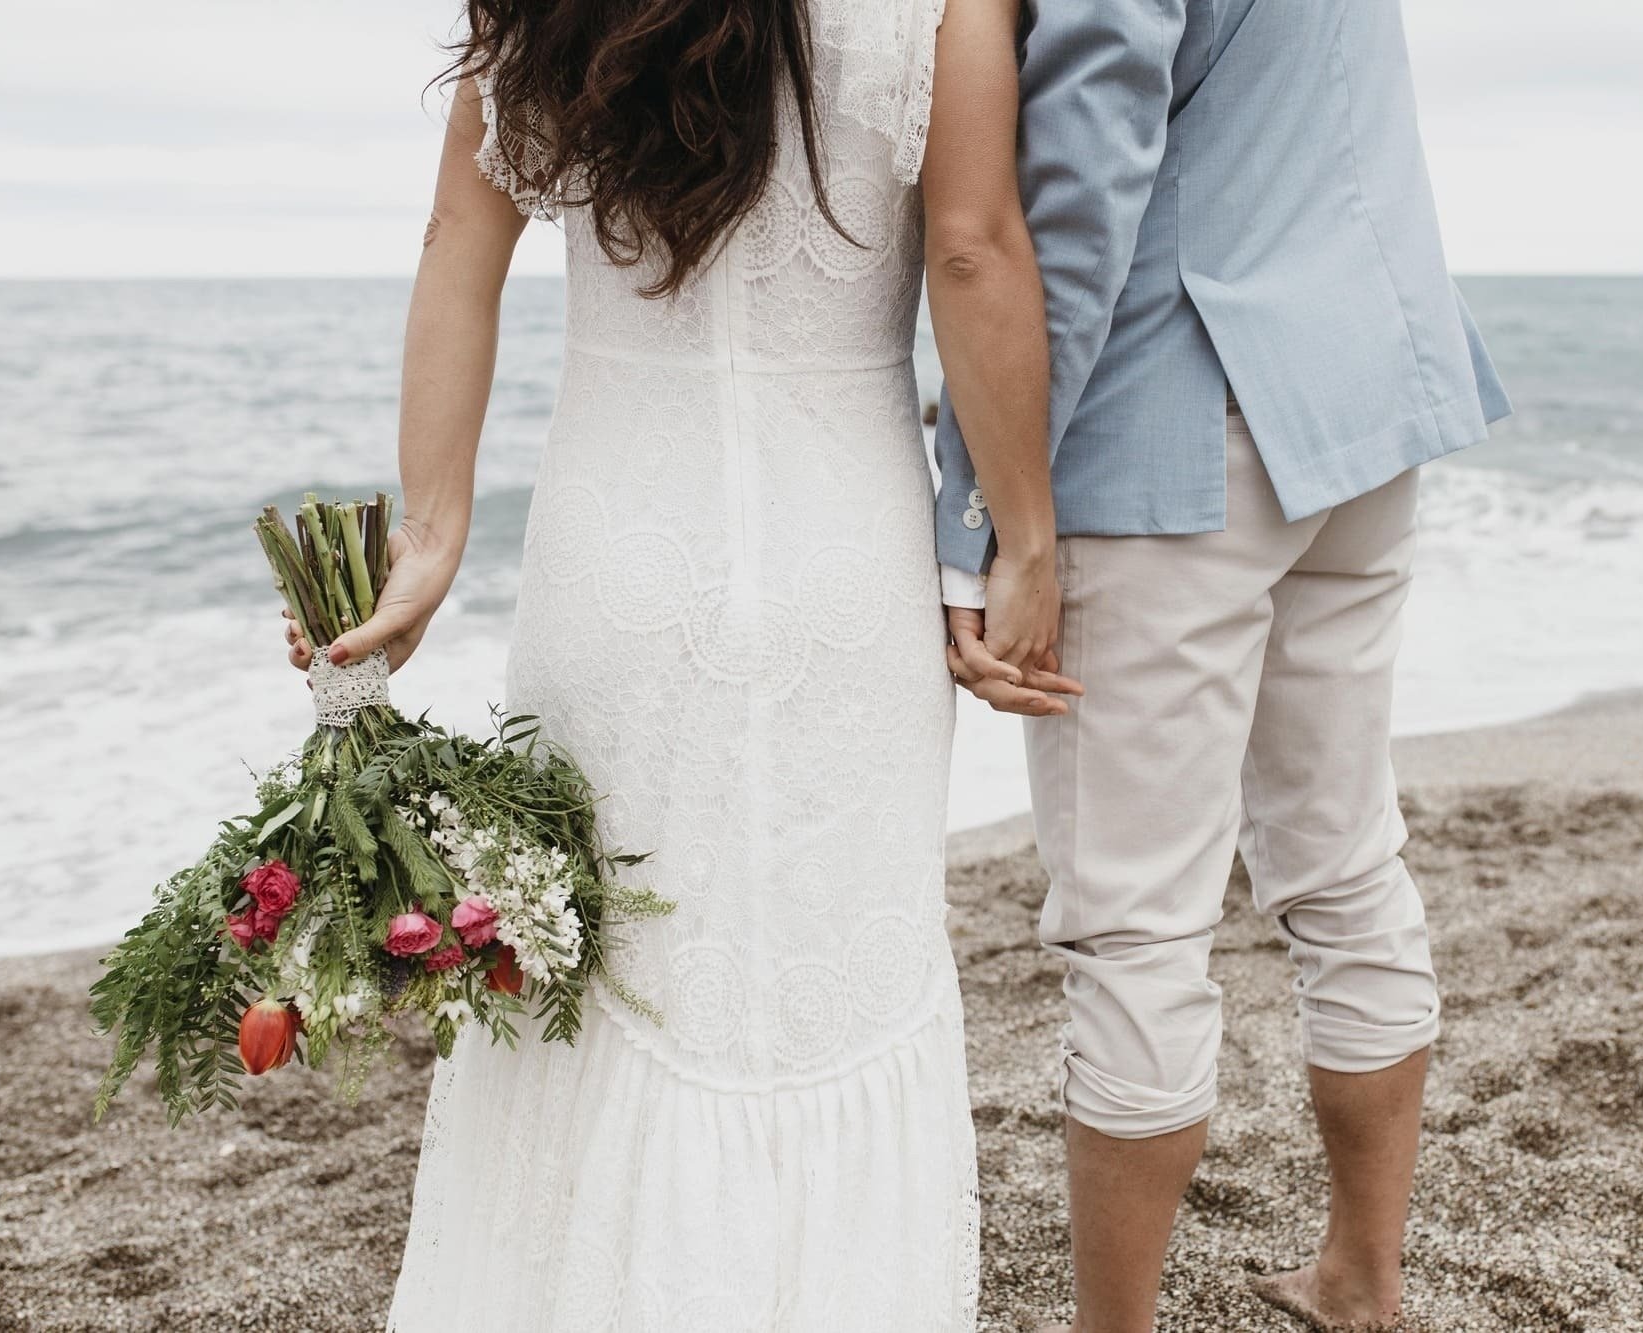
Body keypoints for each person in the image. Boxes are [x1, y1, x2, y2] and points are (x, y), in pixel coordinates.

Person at [284, 0, 1071, 1327]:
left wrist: (432, 527)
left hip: (614, 560)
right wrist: (1027, 538)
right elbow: (976, 249)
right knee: (835, 983)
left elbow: (458, 243)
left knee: (600, 980)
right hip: (844, 563)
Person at [935, 0, 1513, 1328]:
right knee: (1347, 856)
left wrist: (998, 509)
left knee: (1134, 921)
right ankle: (1364, 1280)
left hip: (1175, 420)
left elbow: (1077, 189)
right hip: (1363, 387)